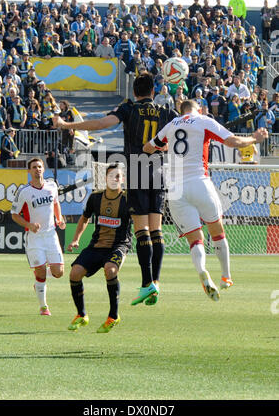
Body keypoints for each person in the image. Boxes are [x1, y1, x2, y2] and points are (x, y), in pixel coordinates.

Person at [53, 72, 179, 306]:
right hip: (160, 172)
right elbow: (182, 132)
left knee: (142, 230)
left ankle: (146, 283)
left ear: (134, 92)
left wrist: (66, 124)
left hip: (138, 170)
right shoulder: (166, 112)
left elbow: (101, 124)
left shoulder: (128, 109)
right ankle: (157, 282)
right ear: (153, 91)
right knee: (156, 229)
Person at [143, 99, 268, 301]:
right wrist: (254, 139)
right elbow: (232, 142)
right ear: (199, 109)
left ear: (180, 111)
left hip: (175, 190)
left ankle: (202, 270)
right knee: (217, 231)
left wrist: (167, 148)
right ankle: (226, 276)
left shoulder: (171, 125)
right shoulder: (203, 121)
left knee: (195, 239)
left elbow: (148, 147)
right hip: (200, 182)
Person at [67, 164, 131, 333]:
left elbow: (141, 219)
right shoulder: (95, 198)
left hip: (119, 245)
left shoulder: (127, 200)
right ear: (105, 179)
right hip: (96, 246)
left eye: (118, 176)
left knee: (110, 270)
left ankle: (113, 316)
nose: (115, 179)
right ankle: (81, 315)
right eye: (111, 176)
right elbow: (84, 219)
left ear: (122, 179)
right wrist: (75, 240)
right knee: (74, 273)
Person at [11, 157, 66, 316]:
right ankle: (43, 307)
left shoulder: (52, 186)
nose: (37, 169)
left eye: (39, 166)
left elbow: (56, 203)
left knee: (59, 272)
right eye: (34, 167)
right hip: (34, 238)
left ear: (43, 169)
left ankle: (38, 280)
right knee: (41, 271)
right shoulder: (24, 192)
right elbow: (14, 214)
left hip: (50, 235)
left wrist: (59, 218)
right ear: (29, 171)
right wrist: (29, 225)